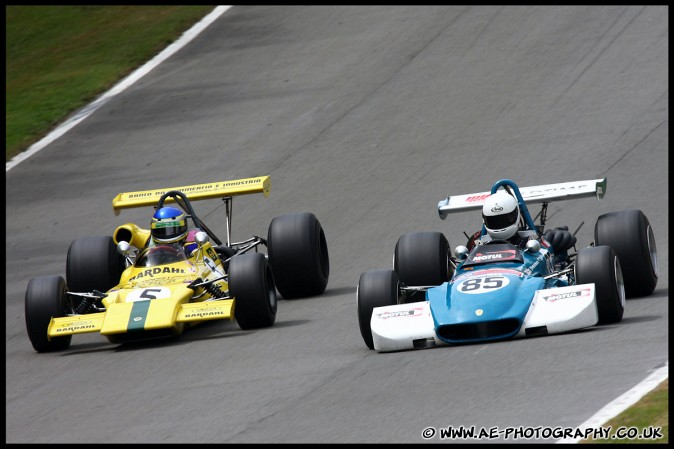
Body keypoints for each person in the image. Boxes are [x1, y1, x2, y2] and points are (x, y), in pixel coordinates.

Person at [472, 189, 576, 266]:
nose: (500, 225)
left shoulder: (533, 241)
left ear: (516, 214)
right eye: (494, 221)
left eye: (505, 219)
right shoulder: (478, 245)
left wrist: (552, 245)